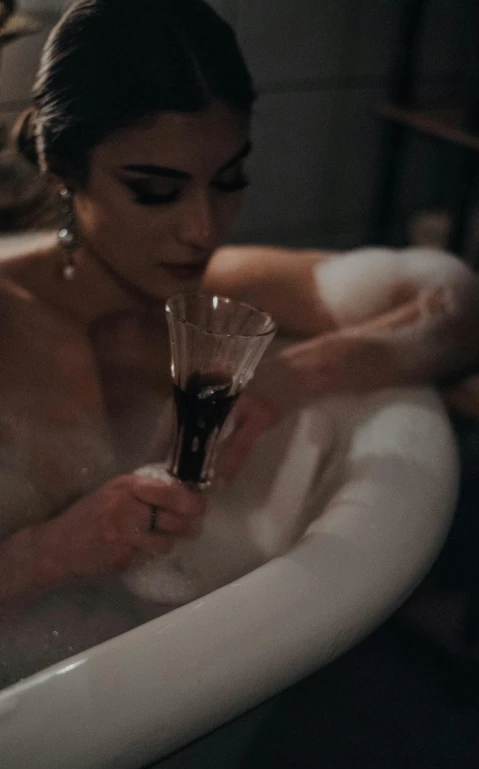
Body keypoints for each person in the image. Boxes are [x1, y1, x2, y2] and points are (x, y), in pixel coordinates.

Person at [0, 0, 478, 612]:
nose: (203, 229)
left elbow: (457, 303)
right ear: (62, 167)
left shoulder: (205, 296)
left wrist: (287, 378)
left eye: (227, 181)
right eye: (156, 191)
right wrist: (50, 551)